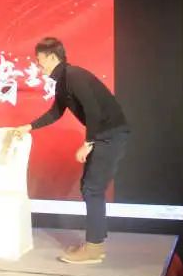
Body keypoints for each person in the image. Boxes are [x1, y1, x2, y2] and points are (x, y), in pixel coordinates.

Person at [14, 37, 129, 264]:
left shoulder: (73, 75)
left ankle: (94, 248)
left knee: (92, 189)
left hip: (110, 134)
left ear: (51, 57)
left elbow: (93, 110)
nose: (38, 65)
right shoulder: (63, 81)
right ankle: (95, 243)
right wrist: (29, 127)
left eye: (39, 59)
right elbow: (56, 112)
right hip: (105, 135)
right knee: (90, 187)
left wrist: (88, 142)